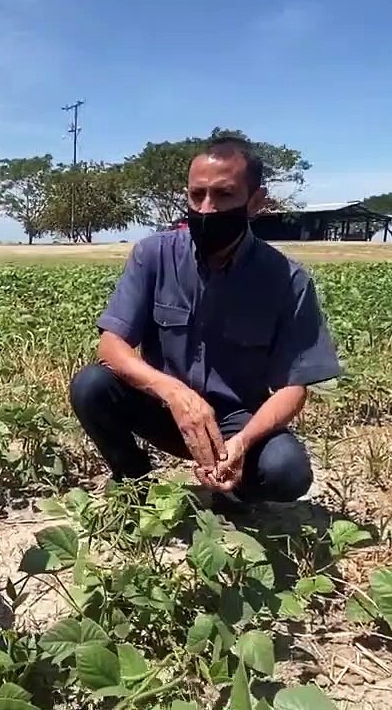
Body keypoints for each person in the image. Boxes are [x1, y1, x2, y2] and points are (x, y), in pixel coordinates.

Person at [69, 137, 341, 506]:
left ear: (255, 201)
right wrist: (174, 393)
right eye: (197, 196)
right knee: (92, 385)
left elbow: (294, 388)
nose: (207, 209)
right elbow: (111, 345)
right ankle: (134, 481)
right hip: (161, 408)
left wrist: (243, 442)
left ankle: (233, 491)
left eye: (224, 195)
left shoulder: (285, 278)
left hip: (235, 421)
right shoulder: (153, 255)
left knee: (286, 471)